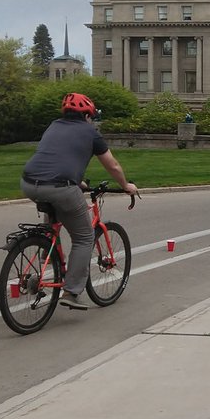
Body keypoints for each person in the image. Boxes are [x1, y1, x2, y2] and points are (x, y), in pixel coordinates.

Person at [20, 92, 138, 310]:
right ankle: (72, 291)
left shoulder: (53, 126)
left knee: (54, 214)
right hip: (60, 188)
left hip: (29, 183)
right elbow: (112, 165)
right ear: (87, 115)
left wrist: (78, 182)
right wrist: (126, 186)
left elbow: (56, 157)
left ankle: (47, 249)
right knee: (84, 237)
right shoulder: (90, 132)